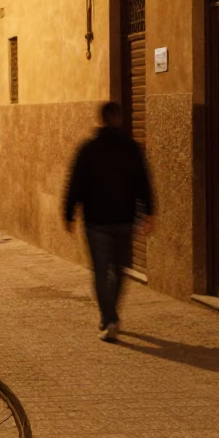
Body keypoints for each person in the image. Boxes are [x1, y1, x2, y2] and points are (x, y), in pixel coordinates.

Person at [63, 101, 155, 342]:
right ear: (119, 119)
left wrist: (69, 213)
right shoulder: (132, 148)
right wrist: (150, 212)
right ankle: (111, 315)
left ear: (102, 119)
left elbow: (76, 182)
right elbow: (143, 181)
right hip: (125, 219)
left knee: (101, 272)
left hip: (96, 222)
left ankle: (109, 318)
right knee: (120, 270)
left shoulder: (89, 148)